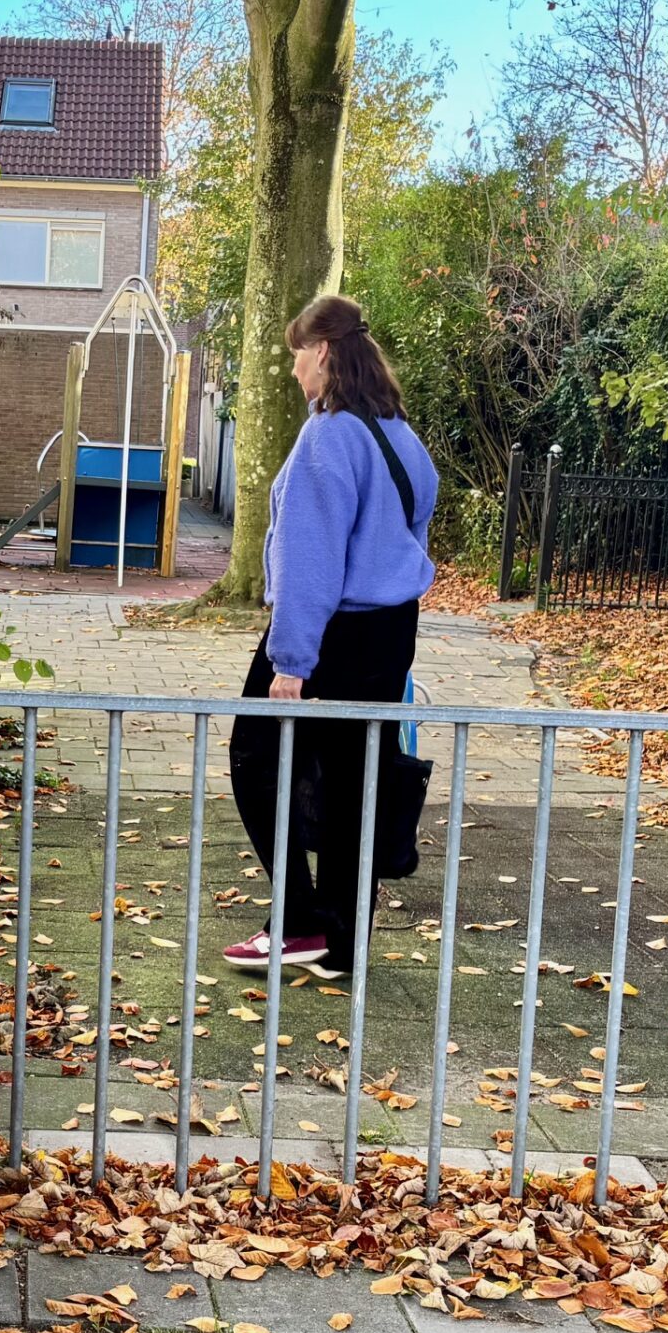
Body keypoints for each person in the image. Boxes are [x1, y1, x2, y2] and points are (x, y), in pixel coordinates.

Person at [223, 294, 438, 976]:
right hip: (391, 630)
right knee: (355, 783)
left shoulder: (329, 433)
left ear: (321, 352)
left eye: (295, 356)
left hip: (332, 632)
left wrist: (292, 659)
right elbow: (413, 527)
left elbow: (308, 556)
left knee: (255, 759)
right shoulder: (399, 433)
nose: (292, 372)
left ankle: (301, 920)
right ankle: (343, 945)